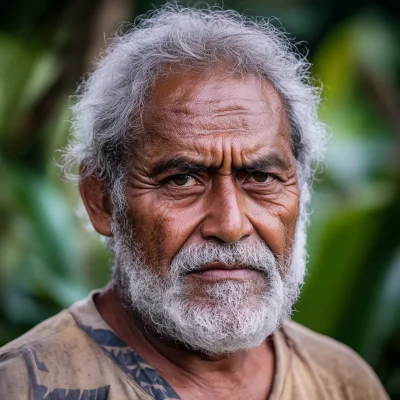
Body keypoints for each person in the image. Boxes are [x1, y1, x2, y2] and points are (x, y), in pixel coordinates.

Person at [0, 4, 388, 400]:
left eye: (260, 178)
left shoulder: (342, 382)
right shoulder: (20, 387)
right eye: (182, 180)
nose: (231, 224)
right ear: (102, 201)